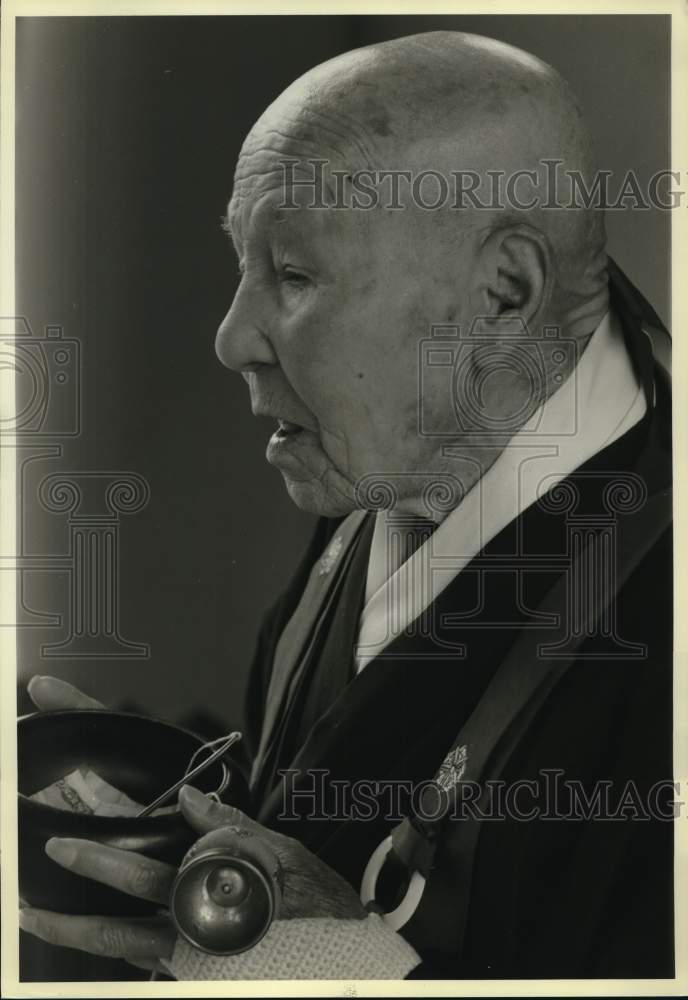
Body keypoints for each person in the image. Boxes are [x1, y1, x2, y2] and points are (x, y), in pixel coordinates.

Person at [20, 30, 673, 979]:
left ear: (504, 293)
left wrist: (335, 968)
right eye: (243, 265)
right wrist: (166, 802)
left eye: (293, 275)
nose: (232, 338)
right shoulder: (406, 453)